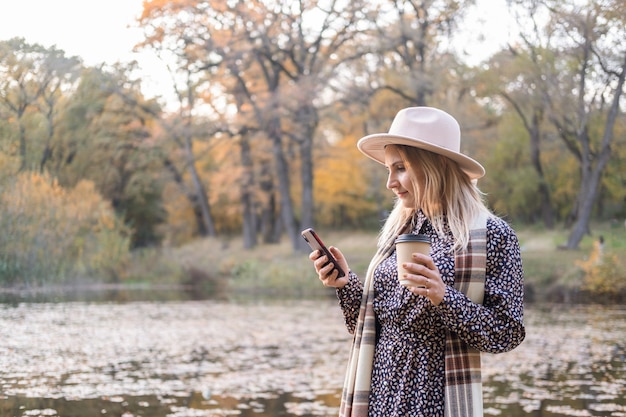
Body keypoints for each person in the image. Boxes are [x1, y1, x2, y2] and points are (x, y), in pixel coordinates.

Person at [308, 107, 525, 417]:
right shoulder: (402, 228)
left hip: (436, 398)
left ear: (434, 165)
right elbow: (377, 323)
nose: (390, 183)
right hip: (378, 395)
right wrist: (346, 284)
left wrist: (444, 297)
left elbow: (507, 333)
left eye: (400, 168)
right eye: (388, 169)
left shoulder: (492, 234)